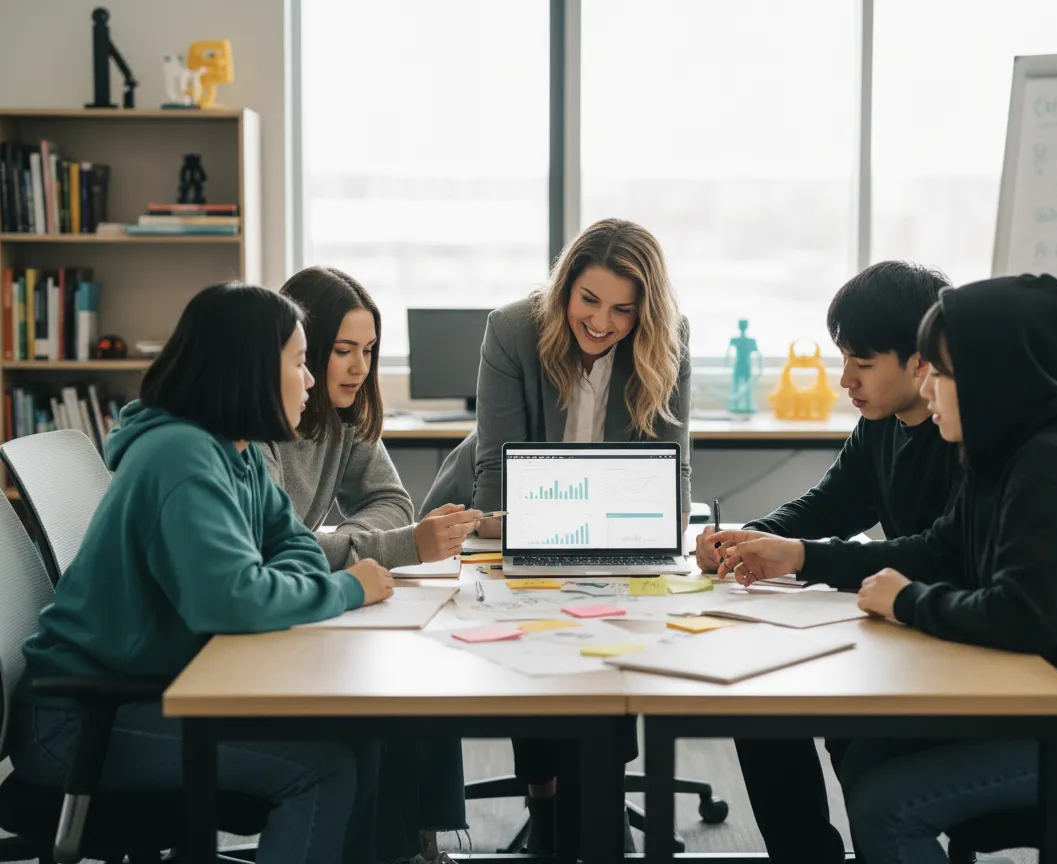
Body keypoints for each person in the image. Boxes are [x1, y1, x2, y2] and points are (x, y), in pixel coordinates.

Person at [712, 274, 1057, 864]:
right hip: (1045, 696)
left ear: (987, 377)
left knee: (886, 803)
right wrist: (801, 553)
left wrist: (906, 599)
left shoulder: (1048, 466)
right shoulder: (1003, 449)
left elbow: (1029, 617)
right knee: (863, 754)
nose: (928, 389)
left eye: (938, 373)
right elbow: (939, 549)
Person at [8, 282, 396, 864]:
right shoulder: (180, 459)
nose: (312, 380)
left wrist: (284, 580)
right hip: (79, 722)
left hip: (149, 688)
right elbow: (234, 602)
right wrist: (346, 589)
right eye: (299, 363)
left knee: (359, 732)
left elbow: (294, 544)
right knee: (321, 768)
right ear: (251, 369)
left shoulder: (236, 450)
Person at [422, 217, 691, 853]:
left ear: (645, 312)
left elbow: (671, 476)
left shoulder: (668, 337)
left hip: (607, 531)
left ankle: (601, 802)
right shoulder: (514, 328)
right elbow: (498, 477)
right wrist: (551, 530)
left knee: (612, 647)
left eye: (623, 310)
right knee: (533, 644)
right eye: (589, 300)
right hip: (509, 519)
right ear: (566, 287)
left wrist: (648, 521)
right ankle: (544, 802)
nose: (601, 323)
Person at [694, 261, 959, 864]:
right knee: (758, 701)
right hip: (902, 625)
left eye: (861, 363)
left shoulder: (963, 434)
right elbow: (827, 507)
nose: (845, 380)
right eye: (843, 359)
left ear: (920, 361)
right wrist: (749, 537)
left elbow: (938, 554)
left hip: (948, 639)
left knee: (852, 738)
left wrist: (801, 557)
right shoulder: (882, 425)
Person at [262, 265, 476, 864]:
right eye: (342, 351)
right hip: (262, 625)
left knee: (423, 668)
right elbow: (277, 549)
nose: (360, 367)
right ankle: (394, 851)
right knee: (383, 689)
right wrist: (388, 548)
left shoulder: (346, 413)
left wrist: (350, 544)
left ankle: (420, 844)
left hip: (298, 598)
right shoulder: (259, 429)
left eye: (370, 350)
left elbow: (391, 502)